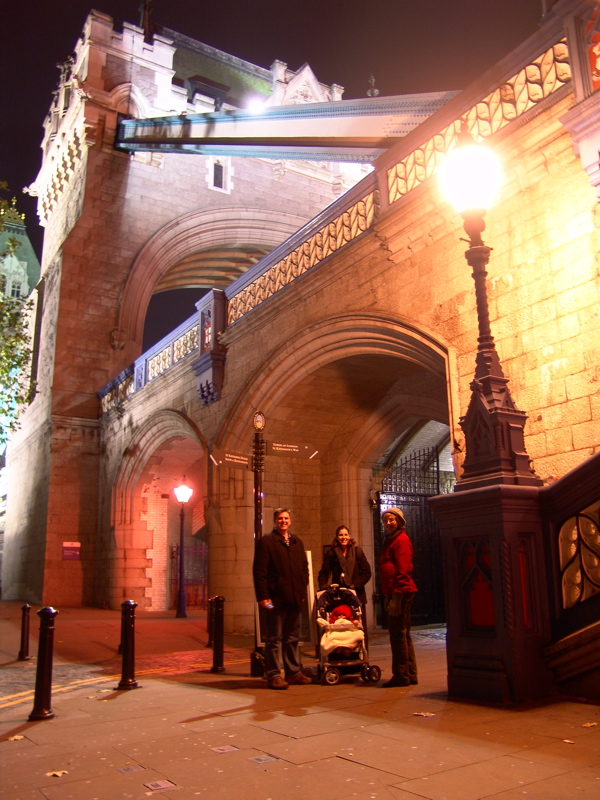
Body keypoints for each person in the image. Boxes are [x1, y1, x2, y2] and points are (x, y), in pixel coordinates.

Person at [253, 508, 313, 690]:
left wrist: (301, 589)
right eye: (280, 518)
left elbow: (304, 568)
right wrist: (264, 597)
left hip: (294, 598)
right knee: (274, 639)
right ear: (275, 521)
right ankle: (273, 675)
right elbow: (259, 572)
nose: (283, 521)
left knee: (292, 638)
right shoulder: (266, 542)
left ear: (290, 521)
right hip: (275, 599)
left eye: (286, 518)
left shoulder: (297, 542)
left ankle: (293, 673)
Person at [379, 507, 418, 687]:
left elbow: (403, 569)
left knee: (398, 636)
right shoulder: (391, 539)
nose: (388, 523)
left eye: (392, 520)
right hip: (396, 591)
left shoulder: (401, 540)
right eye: (386, 520)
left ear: (399, 521)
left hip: (400, 592)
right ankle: (410, 673)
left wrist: (396, 597)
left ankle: (401, 675)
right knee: (403, 634)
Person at [317, 525, 372, 606]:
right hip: (339, 596)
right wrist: (324, 587)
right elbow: (324, 573)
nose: (344, 537)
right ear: (337, 537)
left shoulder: (357, 552)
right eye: (341, 535)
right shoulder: (331, 554)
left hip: (357, 595)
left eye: (346, 535)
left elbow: (366, 573)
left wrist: (354, 585)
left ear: (349, 536)